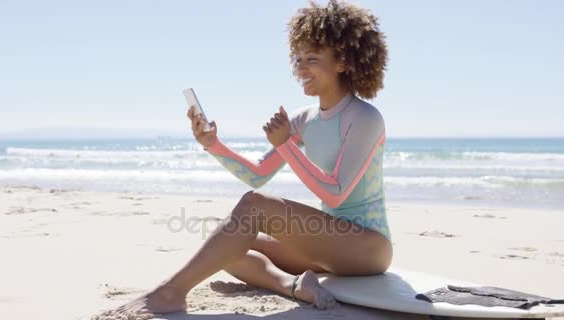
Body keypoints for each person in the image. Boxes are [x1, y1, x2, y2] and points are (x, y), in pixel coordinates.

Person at [109, 0, 391, 316]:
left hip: (367, 247)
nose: (301, 68)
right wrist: (214, 144)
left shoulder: (364, 118)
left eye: (312, 59)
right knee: (227, 241)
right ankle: (295, 285)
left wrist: (285, 145)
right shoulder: (303, 119)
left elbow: (336, 193)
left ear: (341, 62)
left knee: (252, 206)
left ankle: (170, 293)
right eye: (298, 59)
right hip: (326, 241)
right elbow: (258, 174)